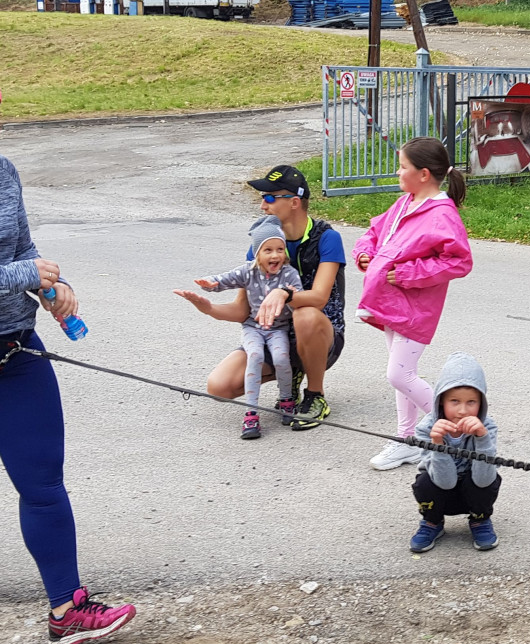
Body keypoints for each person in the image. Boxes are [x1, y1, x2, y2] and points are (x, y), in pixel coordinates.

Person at [0, 152, 137, 644]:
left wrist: (53, 288)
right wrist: (25, 275)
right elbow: (20, 266)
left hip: (14, 350)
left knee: (42, 484)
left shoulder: (3, 170)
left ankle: (66, 610)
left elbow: (23, 249)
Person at [175, 165, 345, 430]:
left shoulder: (327, 238)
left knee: (306, 313)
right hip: (273, 335)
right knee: (219, 387)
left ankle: (315, 395)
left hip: (321, 335)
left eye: (269, 198)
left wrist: (284, 293)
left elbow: (320, 298)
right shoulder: (262, 244)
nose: (262, 206)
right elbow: (243, 310)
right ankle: (291, 374)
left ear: (294, 202)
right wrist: (208, 308)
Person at [353, 137, 473, 470]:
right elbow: (375, 231)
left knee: (399, 375)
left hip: (416, 310)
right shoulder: (406, 202)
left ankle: (457, 434)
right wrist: (365, 252)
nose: (397, 172)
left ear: (423, 174)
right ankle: (407, 439)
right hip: (390, 304)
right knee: (404, 372)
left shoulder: (442, 214)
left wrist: (408, 274)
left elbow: (459, 261)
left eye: (403, 167)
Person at [191, 215, 302, 439]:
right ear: (257, 254)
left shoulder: (289, 274)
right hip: (253, 328)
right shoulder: (248, 271)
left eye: (280, 249)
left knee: (281, 358)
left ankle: (287, 400)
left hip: (278, 329)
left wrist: (290, 296)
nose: (275, 255)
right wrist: (209, 284)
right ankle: (251, 413)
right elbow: (224, 280)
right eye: (268, 250)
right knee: (255, 356)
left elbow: (298, 298)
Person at [409, 352, 501, 553]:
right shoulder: (427, 428)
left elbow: (484, 479)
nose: (462, 411)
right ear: (441, 400)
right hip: (442, 487)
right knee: (424, 482)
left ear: (481, 403)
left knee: (492, 477)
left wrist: (482, 438)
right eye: (455, 401)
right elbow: (445, 482)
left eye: (471, 402)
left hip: (474, 487)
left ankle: (480, 520)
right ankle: (432, 522)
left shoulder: (487, 426)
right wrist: (438, 444)